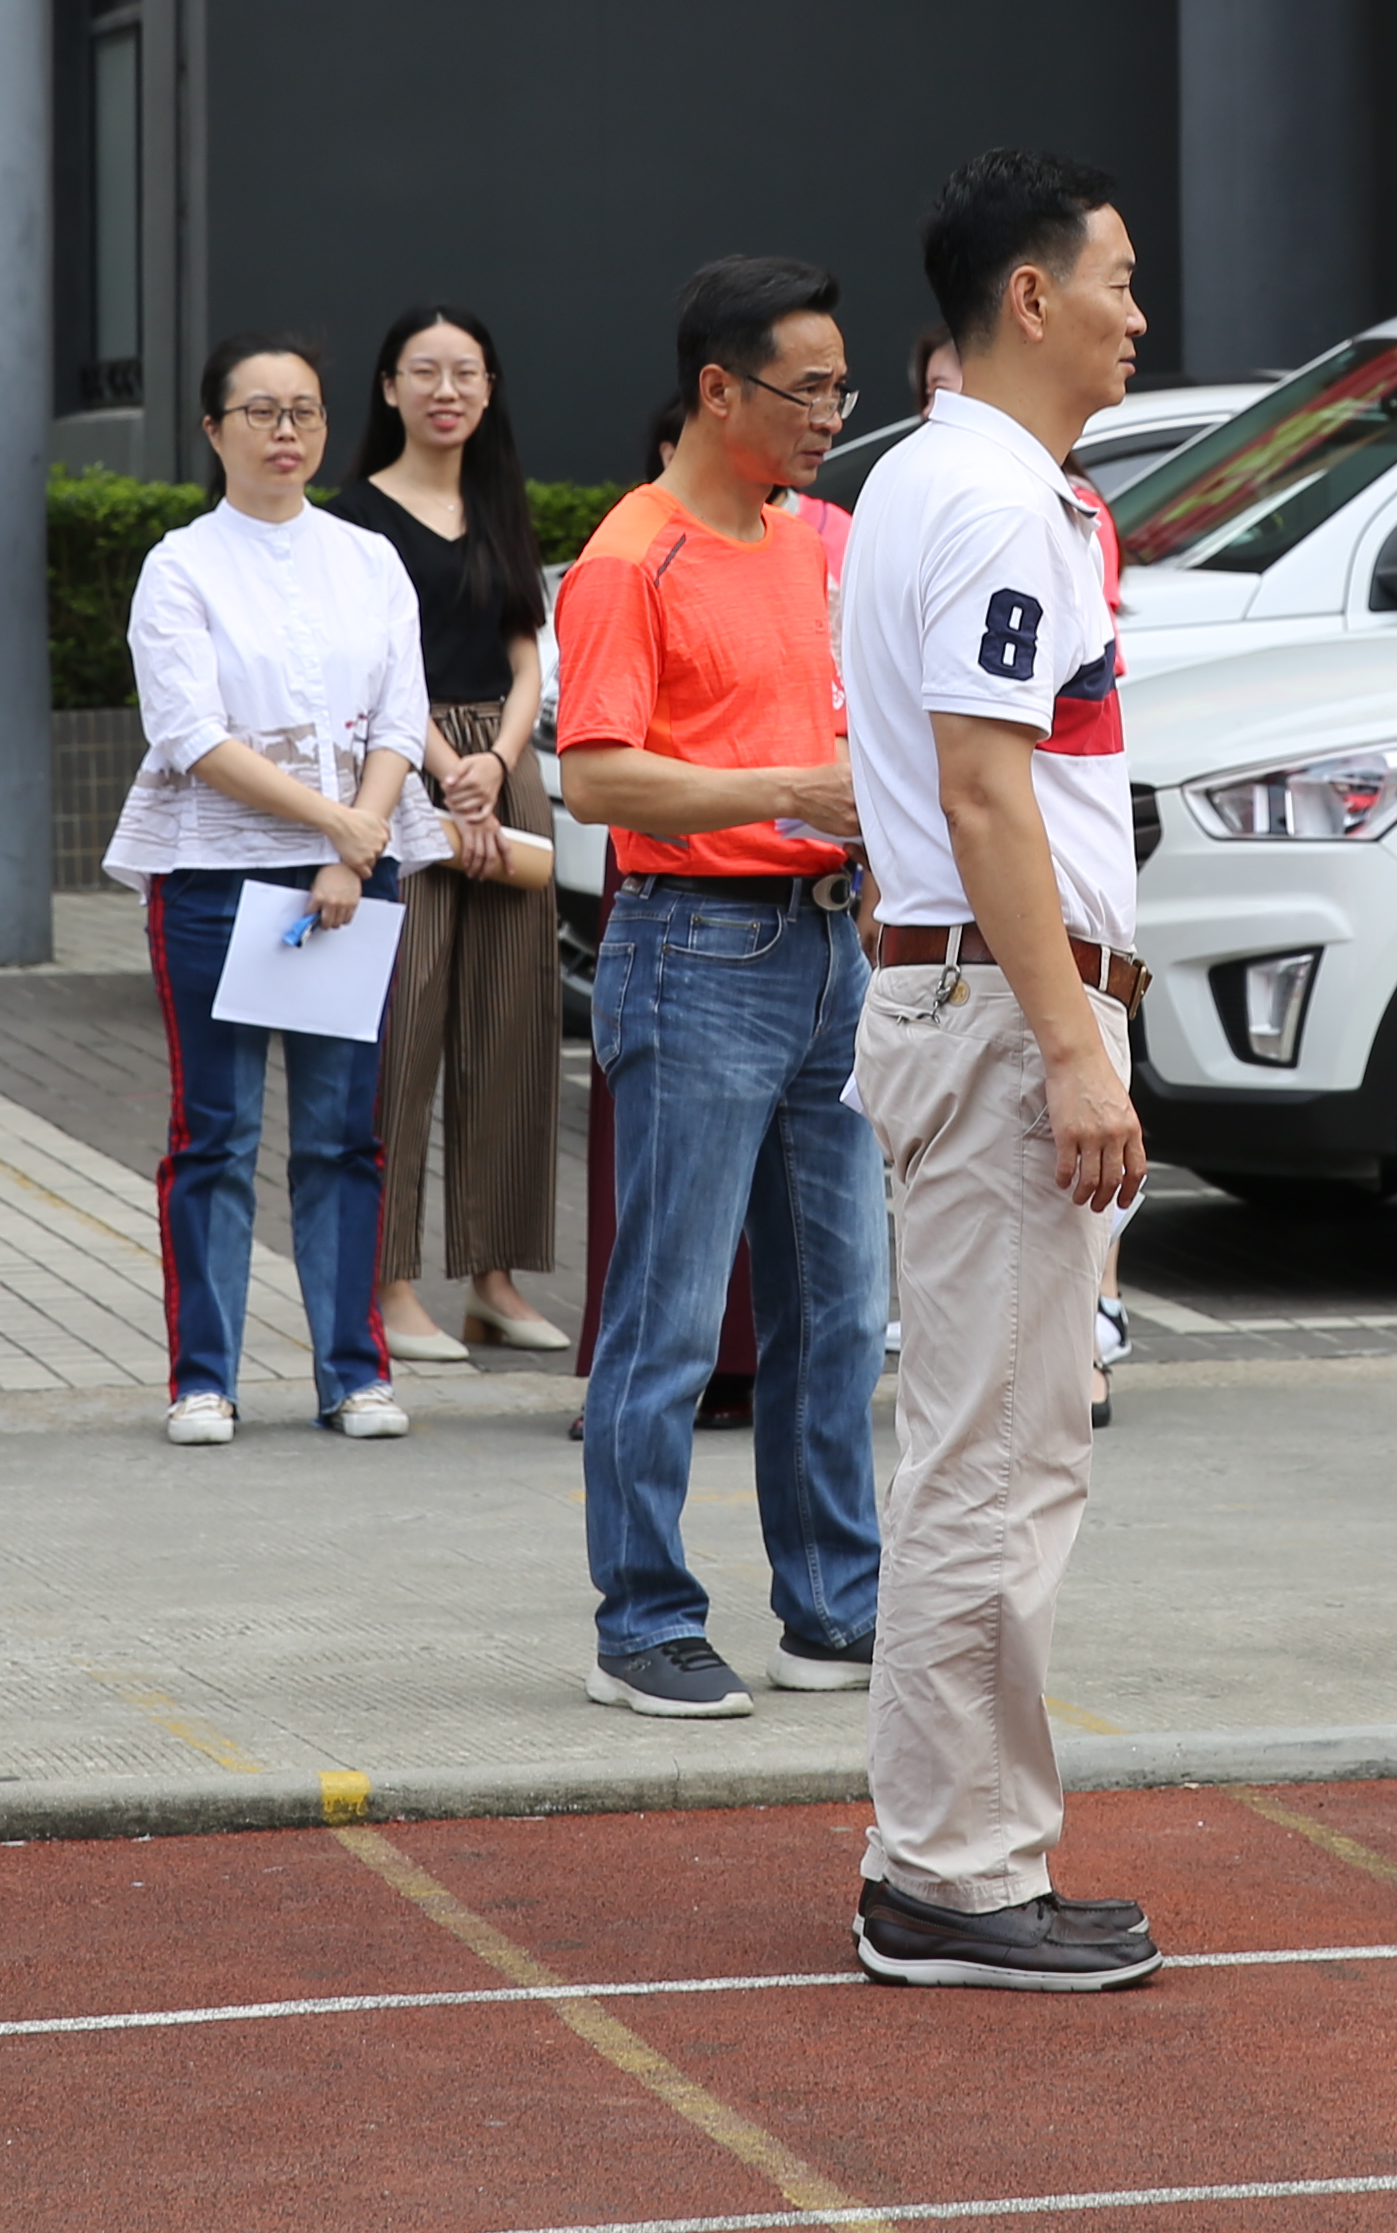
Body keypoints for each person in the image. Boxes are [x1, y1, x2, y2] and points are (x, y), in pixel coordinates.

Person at [839, 150, 1163, 1989]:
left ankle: (961, 1855)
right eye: (1117, 278)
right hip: (992, 1010)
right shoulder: (993, 499)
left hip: (967, 1004)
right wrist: (1071, 1048)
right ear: (1029, 299)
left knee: (994, 1442)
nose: (1141, 312)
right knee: (996, 1456)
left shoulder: (935, 476)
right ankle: (951, 1878)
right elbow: (982, 787)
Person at [550, 254, 885, 1723]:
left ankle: (835, 1609)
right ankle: (643, 1618)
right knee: (672, 1314)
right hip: (695, 943)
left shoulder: (823, 538)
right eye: (807, 388)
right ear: (716, 388)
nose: (829, 414)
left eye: (839, 387)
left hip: (829, 948)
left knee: (836, 1306)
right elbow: (595, 777)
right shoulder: (633, 555)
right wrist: (793, 788)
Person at [108, 334, 434, 1446]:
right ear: (214, 431)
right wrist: (335, 823)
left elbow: (400, 720)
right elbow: (190, 734)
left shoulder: (367, 559)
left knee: (345, 1131)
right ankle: (204, 1376)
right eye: (259, 412)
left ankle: (354, 1372)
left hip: (351, 870)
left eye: (304, 411)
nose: (285, 432)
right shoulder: (182, 565)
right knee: (217, 1131)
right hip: (214, 873)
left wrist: (355, 846)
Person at [328, 304, 570, 1365]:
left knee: (513, 1033)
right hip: (404, 770)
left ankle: (495, 1280)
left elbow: (529, 651)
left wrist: (501, 765)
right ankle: (388, 1287)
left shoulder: (499, 498)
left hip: (501, 773)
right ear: (388, 389)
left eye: (465, 372)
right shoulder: (354, 519)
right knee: (406, 1029)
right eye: (423, 372)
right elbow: (379, 669)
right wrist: (445, 773)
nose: (446, 391)